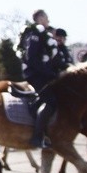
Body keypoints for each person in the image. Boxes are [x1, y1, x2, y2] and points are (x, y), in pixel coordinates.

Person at [18, 9, 63, 149]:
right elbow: (32, 59)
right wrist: (48, 73)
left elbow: (48, 58)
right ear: (40, 18)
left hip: (42, 73)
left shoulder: (43, 35)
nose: (48, 20)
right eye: (46, 17)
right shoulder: (34, 34)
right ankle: (37, 137)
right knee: (50, 101)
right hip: (34, 74)